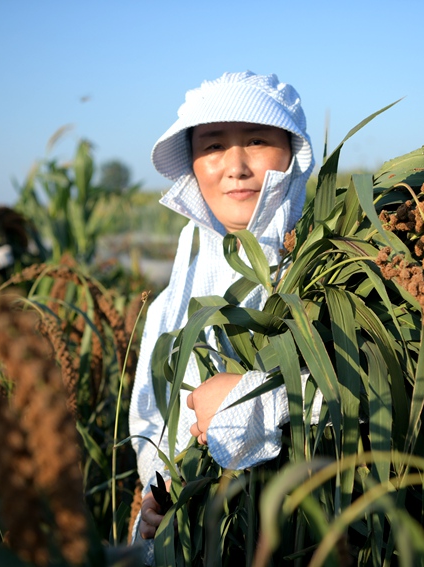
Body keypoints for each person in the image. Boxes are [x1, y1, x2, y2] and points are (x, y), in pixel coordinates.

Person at [127, 71, 315, 547]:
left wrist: (259, 398)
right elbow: (151, 431)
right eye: (212, 146)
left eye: (256, 140)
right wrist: (157, 507)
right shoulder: (171, 306)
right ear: (193, 162)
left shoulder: (336, 274)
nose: (235, 166)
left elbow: (387, 395)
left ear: (293, 151)